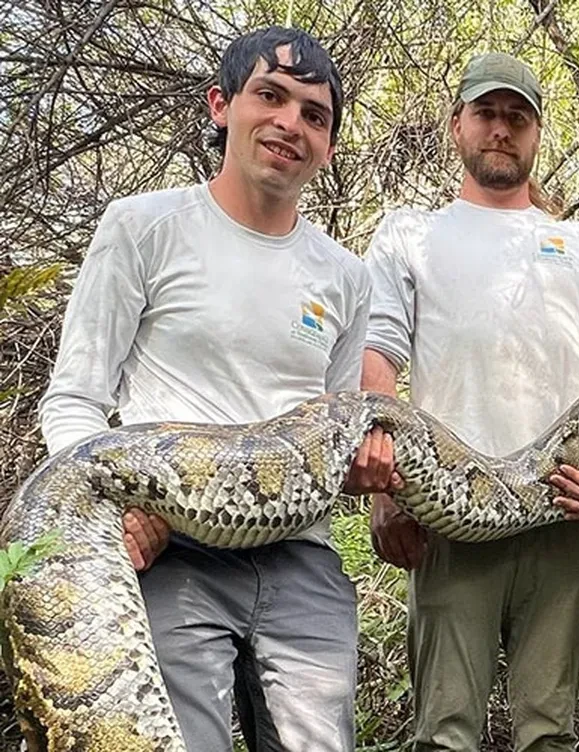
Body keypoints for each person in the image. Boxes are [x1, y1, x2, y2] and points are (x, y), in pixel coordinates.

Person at [37, 26, 394, 751]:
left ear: (327, 145)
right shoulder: (143, 227)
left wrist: (367, 472)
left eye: (315, 115)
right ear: (221, 105)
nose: (290, 124)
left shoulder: (347, 275)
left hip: (302, 558)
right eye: (271, 96)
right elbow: (73, 397)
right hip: (174, 552)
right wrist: (118, 514)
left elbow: (338, 425)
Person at [360, 52, 579, 751]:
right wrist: (386, 493)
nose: (502, 129)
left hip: (566, 510)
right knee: (444, 733)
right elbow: (379, 359)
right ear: (458, 125)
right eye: (487, 113)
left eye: (519, 117)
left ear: (537, 133)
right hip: (450, 516)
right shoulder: (408, 234)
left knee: (549, 732)